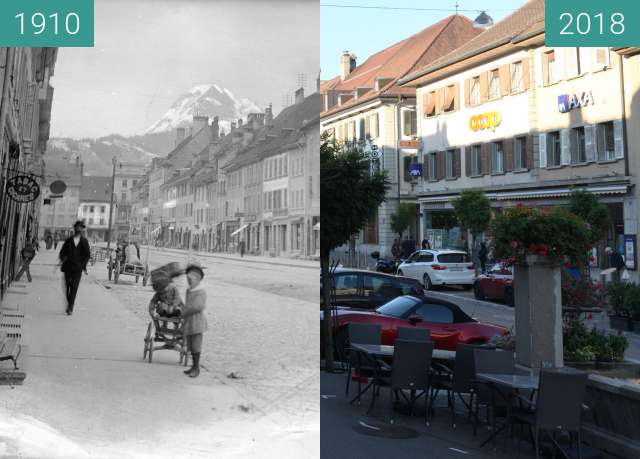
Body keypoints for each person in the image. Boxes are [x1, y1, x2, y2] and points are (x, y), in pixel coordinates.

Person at [59, 221, 91, 315]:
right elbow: (62, 252)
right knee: (67, 286)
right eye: (77, 227)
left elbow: (87, 255)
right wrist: (63, 257)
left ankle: (70, 307)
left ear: (82, 229)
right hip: (68, 267)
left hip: (78, 268)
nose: (79, 229)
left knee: (74, 287)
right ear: (75, 228)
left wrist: (83, 265)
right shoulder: (68, 240)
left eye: (81, 228)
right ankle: (70, 303)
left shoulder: (84, 241)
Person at [182, 263, 207, 378]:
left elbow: (198, 306)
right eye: (188, 279)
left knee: (196, 345)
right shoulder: (189, 290)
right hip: (190, 321)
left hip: (197, 321)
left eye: (191, 279)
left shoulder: (201, 292)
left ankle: (196, 368)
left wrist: (185, 311)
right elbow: (188, 304)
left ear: (197, 279)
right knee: (191, 345)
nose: (189, 281)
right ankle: (193, 366)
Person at [148, 270, 184, 338]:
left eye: (164, 288)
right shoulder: (159, 293)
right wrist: (151, 311)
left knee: (184, 314)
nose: (163, 291)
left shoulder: (173, 288)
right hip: (164, 310)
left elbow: (177, 298)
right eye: (160, 290)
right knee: (162, 306)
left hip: (175, 309)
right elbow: (153, 302)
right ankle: (163, 326)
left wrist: (173, 306)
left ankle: (178, 329)